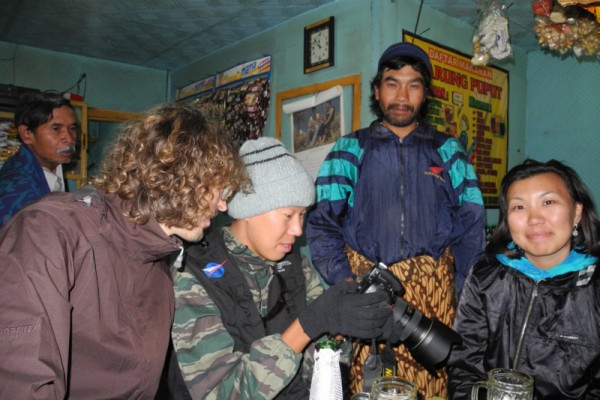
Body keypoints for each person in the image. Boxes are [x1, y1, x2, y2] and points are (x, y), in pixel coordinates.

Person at [0, 103, 249, 399]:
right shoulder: (49, 231)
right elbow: (21, 379)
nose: (223, 206)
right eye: (218, 191)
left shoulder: (157, 265)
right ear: (179, 178)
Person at [306, 41, 486, 398]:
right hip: (368, 295)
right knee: (371, 386)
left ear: (425, 94)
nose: (402, 95)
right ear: (377, 90)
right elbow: (323, 225)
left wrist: (465, 297)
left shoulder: (449, 150)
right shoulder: (348, 149)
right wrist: (348, 287)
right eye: (392, 83)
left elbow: (471, 227)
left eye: (414, 84)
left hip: (434, 301)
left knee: (435, 384)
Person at [163, 137, 392, 399]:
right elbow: (224, 392)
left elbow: (317, 365)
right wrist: (306, 326)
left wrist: (348, 325)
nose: (297, 230)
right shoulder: (193, 275)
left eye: (303, 215)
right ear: (249, 210)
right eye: (288, 215)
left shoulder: (294, 263)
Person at [447, 159, 600, 399]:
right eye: (519, 207)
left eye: (548, 202)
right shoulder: (486, 276)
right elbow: (464, 367)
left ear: (577, 212)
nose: (534, 218)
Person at [0, 91, 79, 225]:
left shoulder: (50, 164)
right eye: (56, 128)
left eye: (72, 128)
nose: (70, 139)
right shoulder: (21, 195)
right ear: (26, 134)